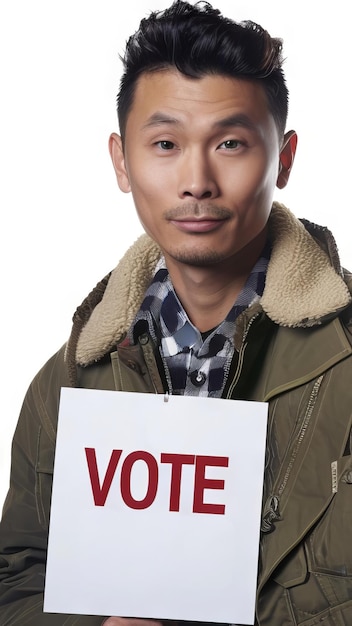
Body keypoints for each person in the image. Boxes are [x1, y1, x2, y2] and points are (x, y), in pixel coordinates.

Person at [1, 0, 352, 624]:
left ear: (286, 158)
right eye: (165, 143)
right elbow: (19, 577)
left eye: (231, 143)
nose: (197, 180)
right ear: (121, 160)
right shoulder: (66, 385)